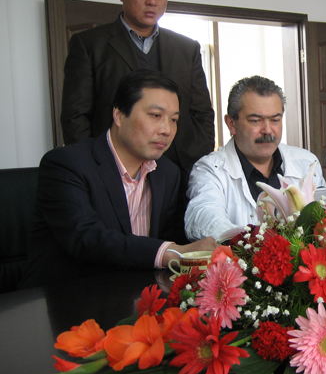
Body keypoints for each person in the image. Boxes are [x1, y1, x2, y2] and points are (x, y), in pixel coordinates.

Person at [19, 70, 216, 289]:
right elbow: (87, 239)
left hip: (136, 296)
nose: (167, 130)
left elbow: (172, 236)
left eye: (174, 120)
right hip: (66, 297)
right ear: (119, 115)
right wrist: (171, 252)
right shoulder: (66, 164)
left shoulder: (168, 173)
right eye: (155, 116)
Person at [60, 0, 214, 179]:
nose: (152, 1)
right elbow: (75, 116)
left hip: (178, 170)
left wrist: (197, 160)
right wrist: (91, 168)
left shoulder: (186, 48)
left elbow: (202, 114)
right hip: (114, 170)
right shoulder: (90, 44)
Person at [185, 76, 326, 240]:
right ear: (231, 124)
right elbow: (204, 218)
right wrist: (256, 241)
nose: (268, 130)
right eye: (255, 121)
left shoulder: (306, 162)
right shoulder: (210, 169)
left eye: (275, 120)